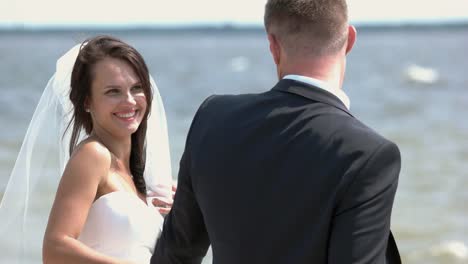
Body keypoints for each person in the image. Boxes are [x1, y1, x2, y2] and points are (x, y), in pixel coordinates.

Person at [151, 0, 402, 263]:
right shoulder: (368, 154)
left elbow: (175, 254)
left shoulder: (212, 117)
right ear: (349, 39)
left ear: (273, 45)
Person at [0, 35, 174, 264]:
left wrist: (180, 211)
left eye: (137, 88)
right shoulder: (93, 155)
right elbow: (55, 249)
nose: (130, 101)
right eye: (113, 91)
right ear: (86, 102)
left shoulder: (136, 175)